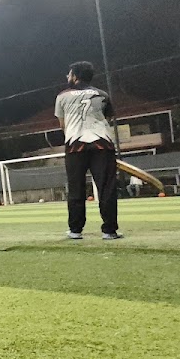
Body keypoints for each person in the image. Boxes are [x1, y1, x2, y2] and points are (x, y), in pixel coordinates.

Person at [54, 61, 121, 240]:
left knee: (76, 188)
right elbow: (107, 119)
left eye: (69, 74)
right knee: (106, 188)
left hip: (75, 145)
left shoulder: (62, 96)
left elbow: (62, 124)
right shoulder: (102, 94)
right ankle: (109, 230)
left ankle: (75, 230)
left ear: (75, 76)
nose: (67, 77)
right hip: (102, 144)